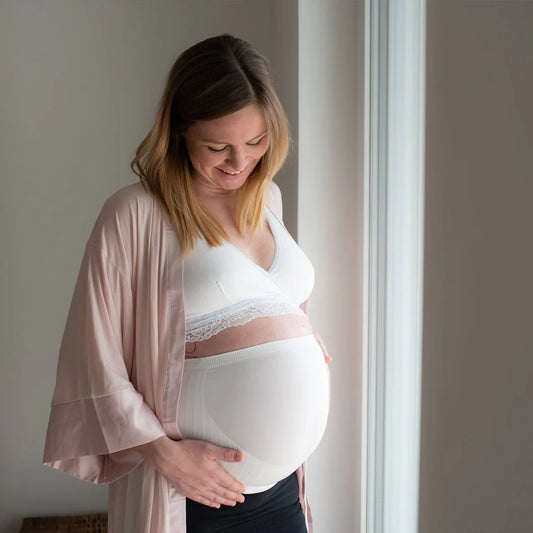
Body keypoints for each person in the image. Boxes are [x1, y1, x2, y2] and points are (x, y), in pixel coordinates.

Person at [43, 34, 330, 533]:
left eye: (256, 142)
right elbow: (93, 360)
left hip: (283, 489)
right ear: (178, 131)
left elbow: (267, 303)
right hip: (192, 493)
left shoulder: (269, 200)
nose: (239, 163)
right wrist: (163, 455)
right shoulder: (135, 213)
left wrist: (300, 338)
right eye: (217, 146)